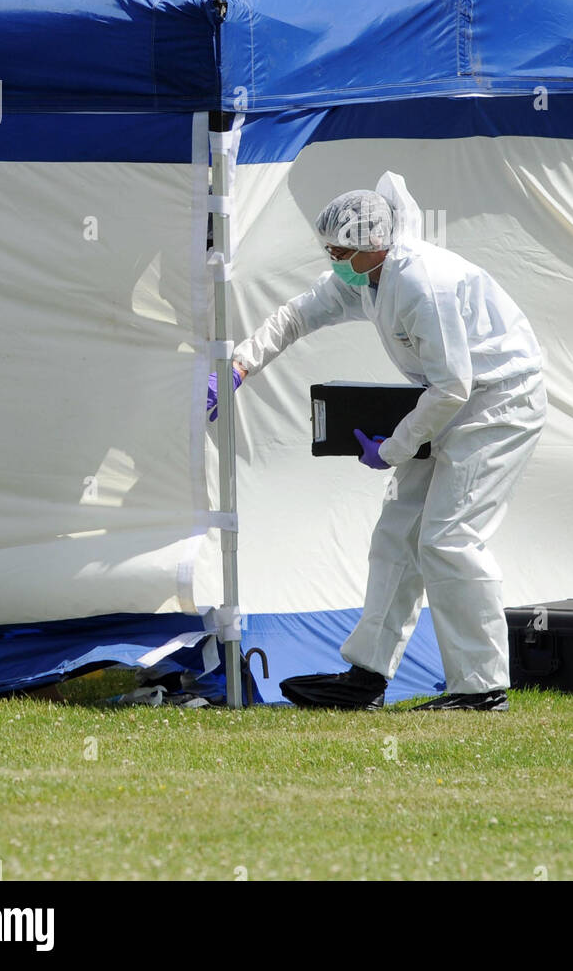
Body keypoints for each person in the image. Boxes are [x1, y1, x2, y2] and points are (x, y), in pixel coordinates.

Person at [221, 172, 546, 711]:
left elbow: (453, 386)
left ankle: (481, 687)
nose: (332, 259)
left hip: (498, 404)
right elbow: (299, 313)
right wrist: (240, 363)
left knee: (449, 539)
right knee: (396, 537)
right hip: (447, 397)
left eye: (341, 250)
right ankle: (367, 676)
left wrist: (393, 449)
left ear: (374, 246)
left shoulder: (423, 283)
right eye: (329, 249)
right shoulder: (365, 278)